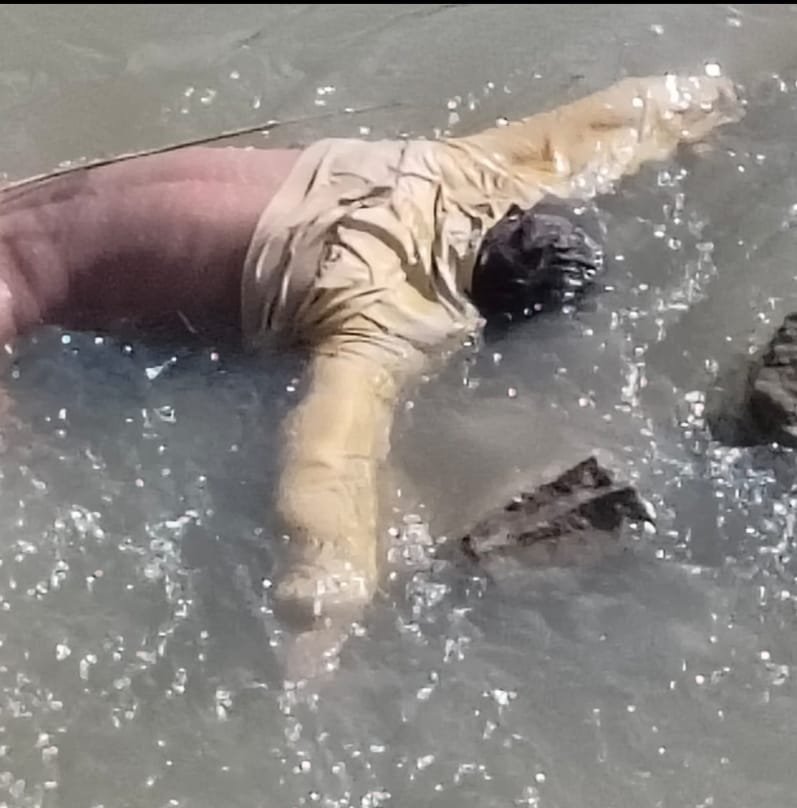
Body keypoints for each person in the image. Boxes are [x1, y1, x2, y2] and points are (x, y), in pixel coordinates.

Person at [0, 73, 739, 643]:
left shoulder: (464, 169)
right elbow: (331, 458)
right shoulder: (388, 313)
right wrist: (328, 592)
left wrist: (708, 102)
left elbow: (623, 116)